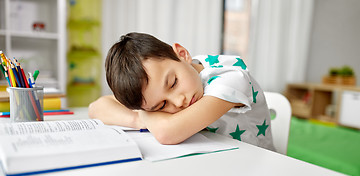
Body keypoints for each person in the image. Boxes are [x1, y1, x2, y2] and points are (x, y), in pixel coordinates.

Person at [89, 32, 275, 151]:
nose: (178, 102)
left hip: (255, 166)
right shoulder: (166, 79)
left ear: (182, 54)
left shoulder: (231, 77)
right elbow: (97, 107)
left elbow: (166, 133)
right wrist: (140, 117)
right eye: (162, 105)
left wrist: (147, 114)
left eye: (173, 83)